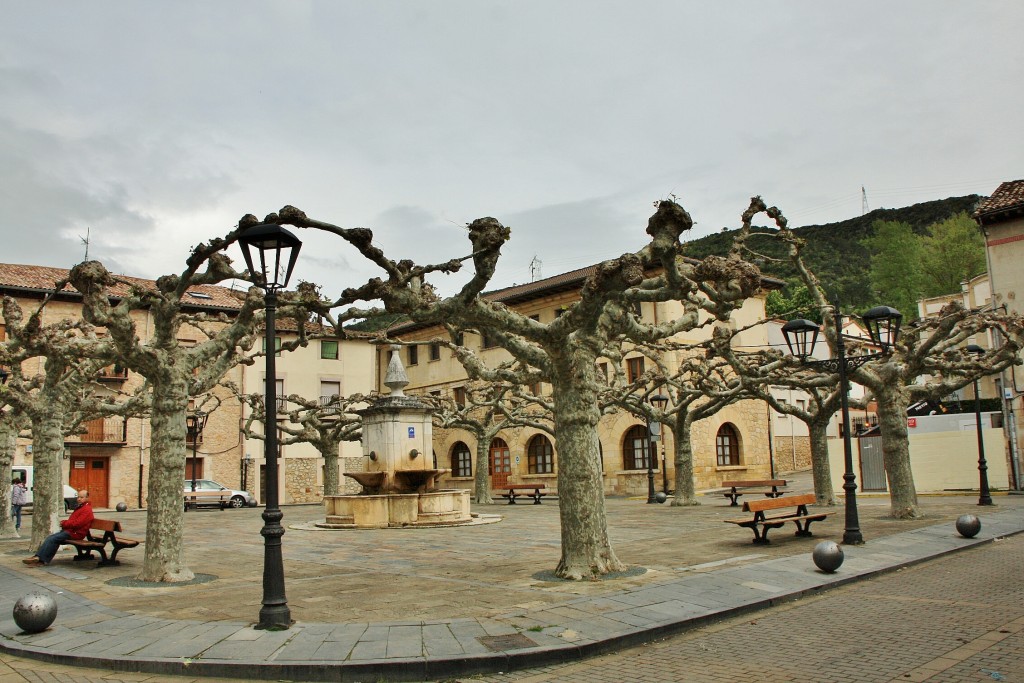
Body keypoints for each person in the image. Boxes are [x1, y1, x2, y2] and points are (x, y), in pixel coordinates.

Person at [22, 490, 94, 567]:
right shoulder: (81, 507)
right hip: (71, 531)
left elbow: (77, 523)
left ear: (87, 498)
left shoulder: (86, 510)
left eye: (81, 497)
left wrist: (64, 523)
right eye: (78, 497)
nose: (79, 499)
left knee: (53, 539)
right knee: (51, 538)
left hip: (76, 533)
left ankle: (41, 559)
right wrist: (66, 523)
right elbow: (74, 522)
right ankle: (39, 558)